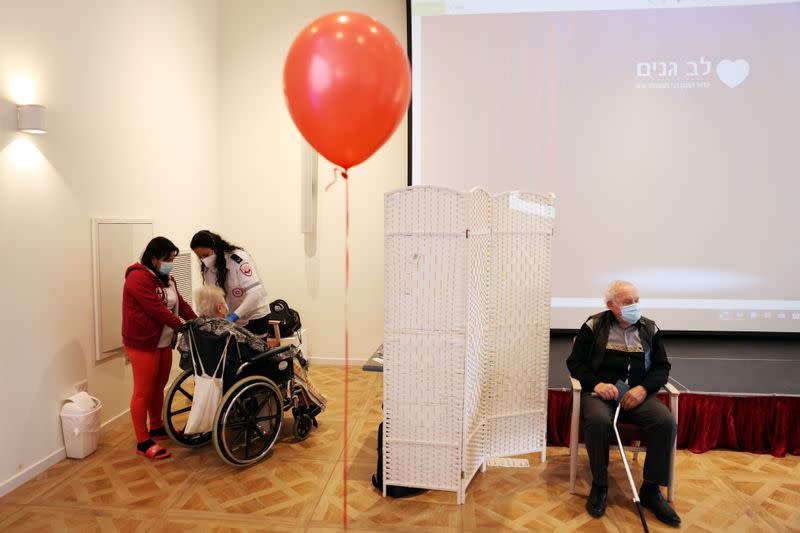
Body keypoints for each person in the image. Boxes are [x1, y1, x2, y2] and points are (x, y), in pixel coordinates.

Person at [566, 280, 681, 527]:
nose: (635, 305)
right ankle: (600, 484)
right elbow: (575, 363)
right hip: (601, 393)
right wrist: (596, 384)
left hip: (638, 395)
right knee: (597, 420)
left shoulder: (650, 328)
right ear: (611, 305)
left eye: (637, 300)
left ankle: (651, 489)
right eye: (628, 302)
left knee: (665, 422)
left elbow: (662, 367)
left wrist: (644, 389)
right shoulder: (594, 325)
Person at [122, 236, 197, 460]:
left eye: (173, 259)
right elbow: (156, 309)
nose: (170, 263)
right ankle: (143, 441)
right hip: (143, 342)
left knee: (159, 386)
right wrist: (183, 328)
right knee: (143, 391)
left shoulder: (167, 278)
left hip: (164, 341)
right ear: (153, 258)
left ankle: (156, 426)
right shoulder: (137, 278)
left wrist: (196, 323)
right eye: (167, 259)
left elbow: (179, 304)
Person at [190, 230, 270, 335]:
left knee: (256, 349)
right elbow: (215, 297)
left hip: (254, 315)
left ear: (215, 247)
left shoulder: (239, 259)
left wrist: (235, 316)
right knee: (235, 349)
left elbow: (255, 293)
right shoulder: (208, 269)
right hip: (232, 317)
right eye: (200, 257)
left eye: (206, 255)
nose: (204, 260)